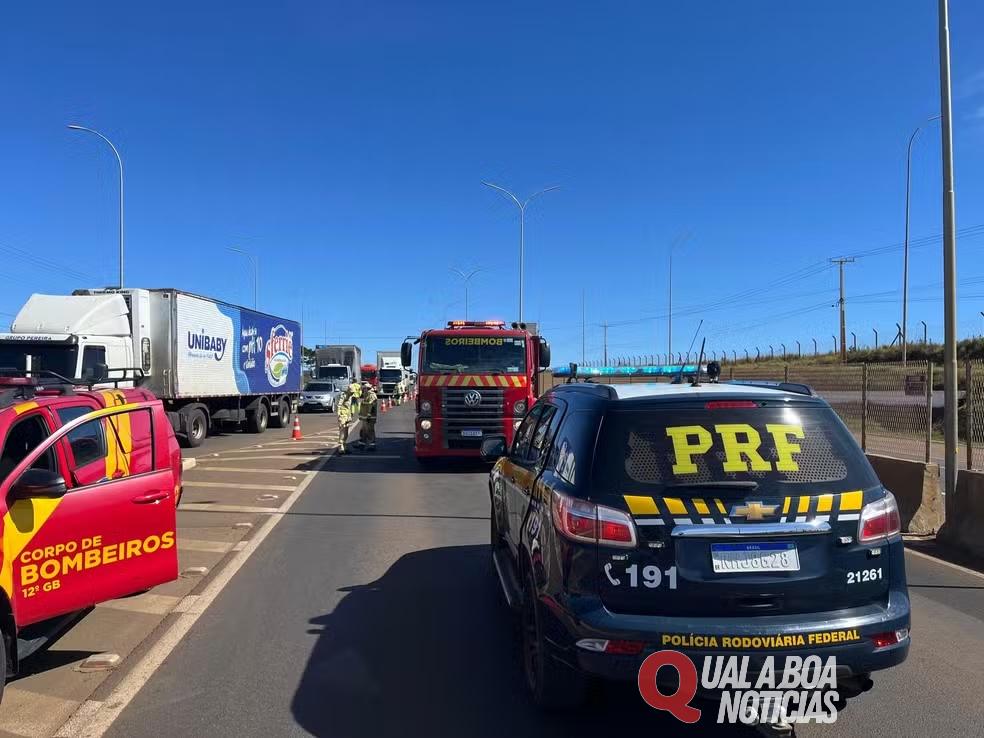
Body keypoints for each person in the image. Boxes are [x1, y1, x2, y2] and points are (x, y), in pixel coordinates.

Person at [335, 383, 357, 454]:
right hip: (342, 415)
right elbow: (339, 405)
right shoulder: (343, 395)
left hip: (347, 415)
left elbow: (349, 407)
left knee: (346, 431)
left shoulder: (350, 396)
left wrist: (350, 415)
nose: (352, 393)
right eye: (351, 392)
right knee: (342, 430)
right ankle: (340, 447)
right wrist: (339, 415)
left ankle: (345, 446)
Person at [358, 381, 378, 452]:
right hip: (365, 417)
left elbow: (370, 406)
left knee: (370, 431)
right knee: (363, 431)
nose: (363, 390)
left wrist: (368, 415)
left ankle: (372, 445)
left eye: (364, 388)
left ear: (367, 388)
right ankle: (362, 444)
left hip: (369, 417)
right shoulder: (366, 395)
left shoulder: (372, 395)